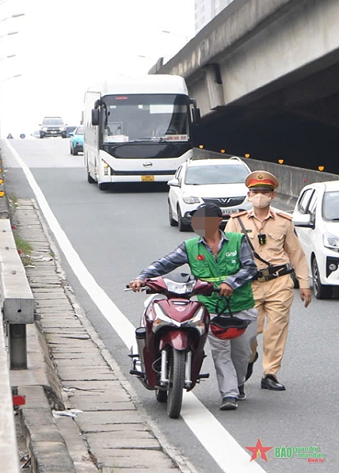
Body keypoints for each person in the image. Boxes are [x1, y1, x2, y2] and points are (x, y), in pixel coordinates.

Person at [129, 203, 258, 410]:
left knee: (242, 355)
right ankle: (229, 394)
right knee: (220, 352)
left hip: (241, 306)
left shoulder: (237, 240)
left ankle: (239, 382)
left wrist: (230, 283)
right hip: (211, 308)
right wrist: (142, 278)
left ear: (218, 221)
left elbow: (250, 267)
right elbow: (164, 263)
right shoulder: (190, 246)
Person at [225, 170, 311, 392]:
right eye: (255, 192)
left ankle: (270, 373)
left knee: (276, 330)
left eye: (264, 192)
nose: (260, 196)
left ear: (273, 195)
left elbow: (296, 254)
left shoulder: (284, 222)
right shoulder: (236, 222)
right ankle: (249, 359)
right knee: (249, 332)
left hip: (279, 282)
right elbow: (226, 255)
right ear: (249, 195)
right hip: (248, 285)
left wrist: (304, 284)